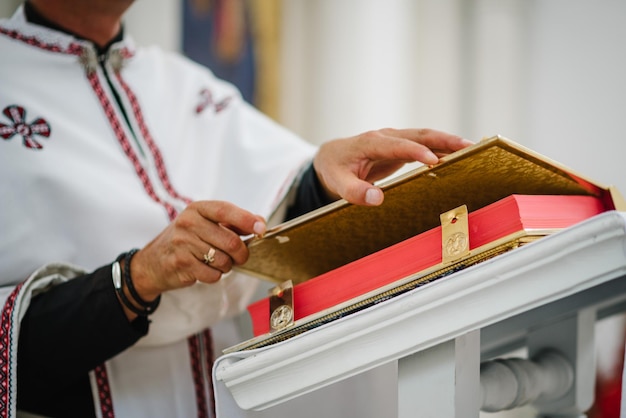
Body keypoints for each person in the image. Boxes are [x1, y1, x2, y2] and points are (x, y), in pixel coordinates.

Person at [0, 1, 473, 417]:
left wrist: (319, 175)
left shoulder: (183, 83)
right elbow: (20, 350)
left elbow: (276, 214)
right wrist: (139, 275)